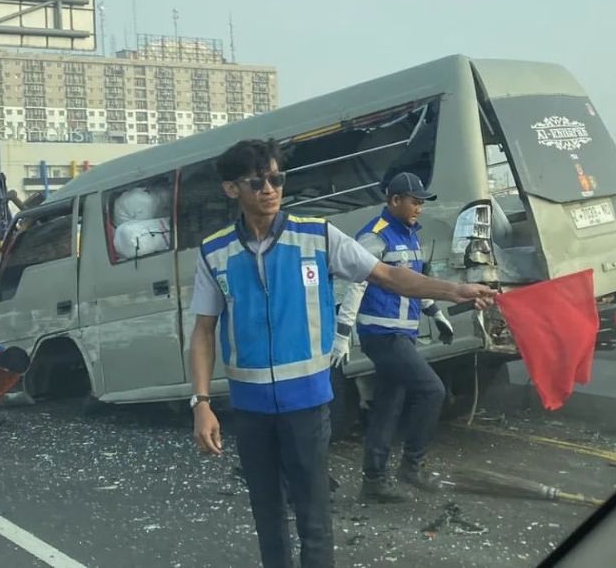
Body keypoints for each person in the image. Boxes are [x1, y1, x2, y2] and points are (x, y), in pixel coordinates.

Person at [189, 139, 494, 568]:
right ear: (230, 189)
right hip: (251, 408)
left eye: (276, 179)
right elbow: (203, 331)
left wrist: (453, 290)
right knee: (267, 513)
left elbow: (387, 275)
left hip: (308, 404)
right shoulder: (214, 252)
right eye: (257, 182)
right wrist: (201, 403)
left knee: (314, 515)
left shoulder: (317, 236)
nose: (270, 189)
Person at [334, 172, 456, 504]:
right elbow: (354, 284)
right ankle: (412, 465)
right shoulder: (376, 236)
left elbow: (414, 282)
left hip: (402, 333)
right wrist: (343, 333)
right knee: (432, 390)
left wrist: (436, 314)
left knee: (388, 406)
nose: (419, 208)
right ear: (394, 201)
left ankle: (373, 482)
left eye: (421, 202)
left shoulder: (410, 236)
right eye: (414, 201)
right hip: (381, 334)